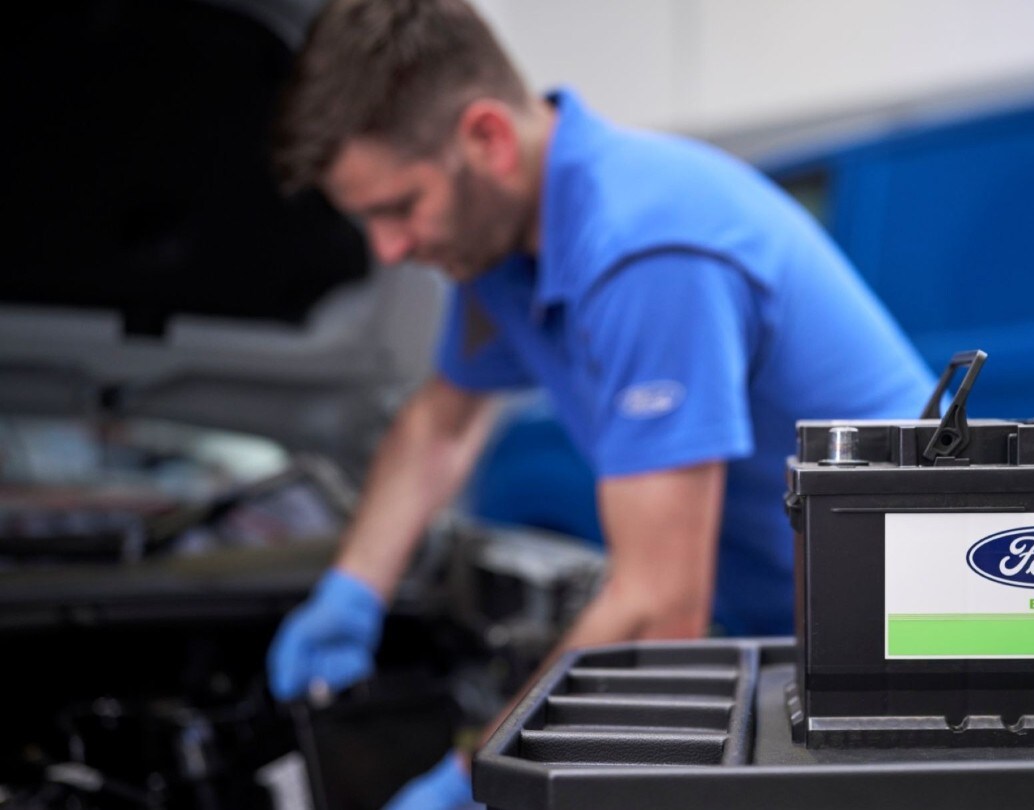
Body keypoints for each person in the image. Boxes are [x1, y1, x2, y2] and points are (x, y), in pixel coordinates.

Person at [264, 1, 935, 806]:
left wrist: (479, 777)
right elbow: (440, 423)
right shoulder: (502, 252)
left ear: (487, 139)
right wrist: (353, 592)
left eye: (399, 208)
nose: (389, 250)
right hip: (792, 641)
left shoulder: (641, 252)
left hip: (913, 662)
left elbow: (659, 612)